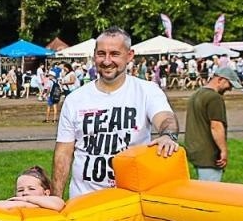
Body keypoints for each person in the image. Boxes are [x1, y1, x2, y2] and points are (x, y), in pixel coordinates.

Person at [52, 28, 178, 200]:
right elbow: (63, 153)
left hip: (131, 201)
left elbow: (165, 118)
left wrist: (167, 136)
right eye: (101, 54)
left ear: (129, 55)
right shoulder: (75, 99)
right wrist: (56, 197)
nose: (106, 61)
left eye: (115, 54)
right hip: (84, 200)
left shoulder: (147, 91)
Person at [183, 65, 242, 181]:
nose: (230, 89)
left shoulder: (197, 94)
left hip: (194, 150)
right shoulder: (215, 98)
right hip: (208, 154)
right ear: (220, 80)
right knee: (209, 193)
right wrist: (223, 150)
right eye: (229, 84)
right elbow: (216, 127)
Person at [0, 166, 66, 211]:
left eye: (31, 189)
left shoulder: (53, 201)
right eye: (20, 190)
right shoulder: (13, 202)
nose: (25, 193)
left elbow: (58, 204)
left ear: (46, 193)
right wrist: (26, 204)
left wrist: (26, 199)